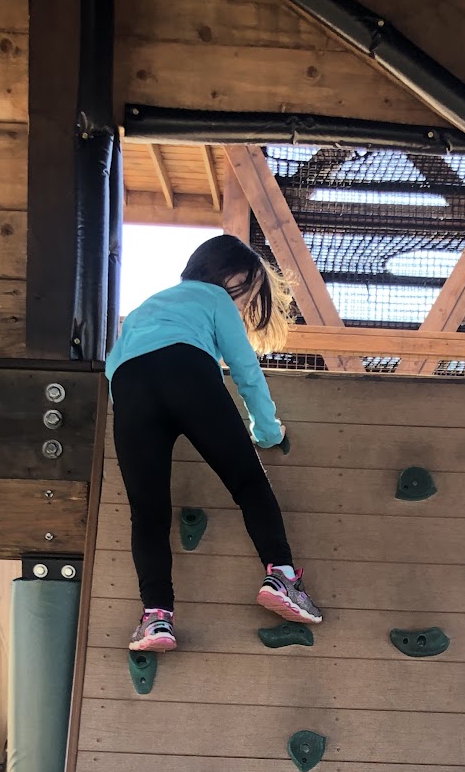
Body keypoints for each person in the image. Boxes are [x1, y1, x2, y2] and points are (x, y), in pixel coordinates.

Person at [105, 234, 323, 652]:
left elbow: (115, 365)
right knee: (248, 484)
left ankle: (157, 618)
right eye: (248, 295)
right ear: (234, 278)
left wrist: (132, 412)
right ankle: (281, 576)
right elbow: (245, 369)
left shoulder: (145, 307)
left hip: (130, 388)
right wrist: (268, 431)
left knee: (147, 515)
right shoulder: (214, 299)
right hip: (187, 371)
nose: (243, 306)